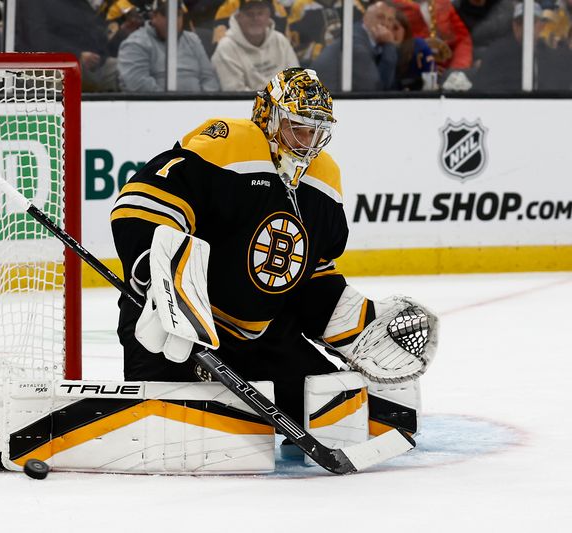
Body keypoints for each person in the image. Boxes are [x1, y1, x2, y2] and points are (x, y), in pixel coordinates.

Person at [110, 68, 437, 433]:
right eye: (298, 128)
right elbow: (142, 203)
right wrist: (155, 275)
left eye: (317, 132)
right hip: (178, 330)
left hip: (260, 338)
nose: (307, 143)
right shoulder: (229, 147)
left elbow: (311, 276)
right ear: (268, 117)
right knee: (168, 432)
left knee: (344, 417)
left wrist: (355, 322)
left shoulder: (322, 182)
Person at [14, 0, 119, 92]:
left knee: (123, 70)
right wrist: (77, 55)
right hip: (51, 65)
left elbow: (94, 32)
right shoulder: (32, 3)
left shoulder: (78, 3)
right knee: (65, 77)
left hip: (93, 62)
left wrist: (120, 34)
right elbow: (37, 39)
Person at [118, 1, 221, 91]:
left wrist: (204, 103)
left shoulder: (193, 40)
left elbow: (209, 78)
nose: (173, 20)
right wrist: (171, 105)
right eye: (166, 15)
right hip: (156, 110)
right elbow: (139, 85)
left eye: (178, 14)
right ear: (153, 16)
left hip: (199, 109)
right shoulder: (135, 43)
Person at [472, 2, 572, 91]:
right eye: (520, 22)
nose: (525, 27)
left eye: (532, 22)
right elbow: (482, 91)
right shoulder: (496, 53)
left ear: (541, 26)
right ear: (513, 25)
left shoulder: (553, 56)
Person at [211, 0, 299, 90]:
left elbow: (297, 79)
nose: (256, 18)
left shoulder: (280, 40)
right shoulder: (226, 48)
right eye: (249, 14)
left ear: (268, 16)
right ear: (238, 17)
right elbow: (235, 93)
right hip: (246, 103)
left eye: (260, 13)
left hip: (286, 101)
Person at [312, 0, 399, 91]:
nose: (385, 23)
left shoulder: (364, 39)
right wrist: (389, 46)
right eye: (380, 17)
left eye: (390, 20)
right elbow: (376, 89)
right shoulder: (355, 45)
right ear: (365, 18)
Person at [392, 0, 473, 72]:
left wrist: (458, 68)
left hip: (448, 73)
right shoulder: (392, 6)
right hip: (413, 74)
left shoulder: (443, 3)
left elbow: (463, 41)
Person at [392, 7, 437, 89]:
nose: (391, 33)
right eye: (387, 28)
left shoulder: (419, 46)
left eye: (395, 28)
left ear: (405, 29)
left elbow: (431, 75)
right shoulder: (378, 49)